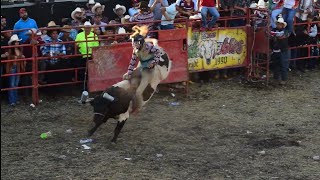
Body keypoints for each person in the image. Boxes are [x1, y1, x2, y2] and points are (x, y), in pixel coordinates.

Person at [123, 25, 161, 112]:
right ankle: (131, 100)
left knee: (138, 92)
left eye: (136, 43)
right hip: (141, 68)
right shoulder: (135, 50)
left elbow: (158, 53)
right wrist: (129, 73)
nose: (134, 44)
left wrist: (154, 62)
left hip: (149, 70)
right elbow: (132, 62)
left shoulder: (149, 47)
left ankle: (139, 107)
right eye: (134, 42)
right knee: (125, 77)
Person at [6, 34, 26, 106]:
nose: (17, 43)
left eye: (17, 42)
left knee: (16, 84)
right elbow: (9, 58)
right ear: (13, 43)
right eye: (15, 42)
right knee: (12, 84)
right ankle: (12, 100)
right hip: (13, 68)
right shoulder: (10, 50)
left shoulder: (19, 49)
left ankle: (15, 99)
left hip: (17, 67)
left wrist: (22, 57)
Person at [270, 17, 290, 85]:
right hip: (277, 50)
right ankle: (276, 78)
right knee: (276, 65)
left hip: (282, 50)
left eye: (280, 24)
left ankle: (283, 79)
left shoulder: (285, 31)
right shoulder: (275, 30)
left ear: (282, 25)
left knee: (283, 65)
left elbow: (279, 35)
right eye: (278, 24)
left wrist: (273, 35)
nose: (279, 25)